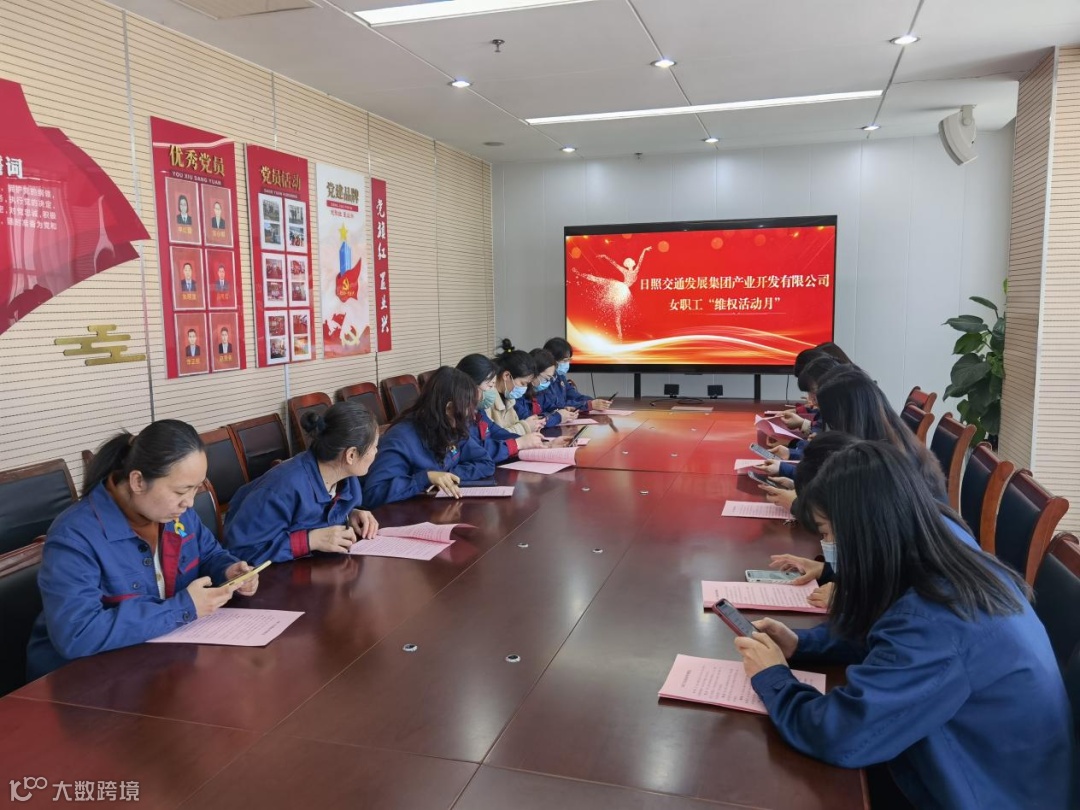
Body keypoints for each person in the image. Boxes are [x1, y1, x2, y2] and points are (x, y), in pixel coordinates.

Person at [734, 441, 1073, 809]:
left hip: (989, 794)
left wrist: (774, 678)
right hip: (987, 766)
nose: (827, 545)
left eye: (828, 533)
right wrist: (804, 644)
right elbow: (889, 632)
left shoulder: (939, 619)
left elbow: (841, 736)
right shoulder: (939, 538)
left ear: (865, 530)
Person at [26, 421, 259, 680]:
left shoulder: (178, 515)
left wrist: (228, 570)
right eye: (181, 490)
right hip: (83, 680)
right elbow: (77, 633)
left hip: (154, 662)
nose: (190, 502)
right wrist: (183, 607)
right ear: (137, 481)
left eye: (196, 488)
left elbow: (209, 555)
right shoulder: (74, 536)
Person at [224, 401, 379, 565]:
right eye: (374, 446)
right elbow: (239, 551)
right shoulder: (283, 487)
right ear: (351, 455)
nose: (377, 451)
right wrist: (309, 540)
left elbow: (322, 514)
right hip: (274, 578)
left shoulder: (346, 478)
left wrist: (349, 514)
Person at [362, 367, 496, 507]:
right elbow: (373, 494)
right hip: (406, 515)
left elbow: (485, 463)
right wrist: (426, 478)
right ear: (449, 408)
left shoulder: (453, 428)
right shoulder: (401, 438)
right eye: (468, 407)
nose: (472, 415)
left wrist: (445, 476)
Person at [456, 354, 546, 463]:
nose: (493, 390)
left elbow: (497, 432)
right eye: (490, 386)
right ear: (471, 385)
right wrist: (518, 444)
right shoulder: (457, 416)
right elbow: (477, 450)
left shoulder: (478, 411)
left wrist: (538, 443)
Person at [540, 337, 611, 412]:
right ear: (552, 360)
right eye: (565, 360)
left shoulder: (560, 377)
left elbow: (576, 397)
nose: (567, 364)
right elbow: (557, 405)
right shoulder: (543, 382)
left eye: (569, 360)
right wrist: (588, 405)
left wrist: (595, 402)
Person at [515, 348, 577, 428]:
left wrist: (562, 410)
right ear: (534, 373)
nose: (548, 382)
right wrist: (558, 417)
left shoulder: (538, 391)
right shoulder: (517, 393)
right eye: (546, 378)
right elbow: (532, 421)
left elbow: (548, 406)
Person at [488, 350, 543, 436]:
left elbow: (513, 426)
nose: (525, 388)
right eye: (522, 383)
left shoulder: (509, 399)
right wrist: (526, 427)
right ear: (506, 376)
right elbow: (494, 437)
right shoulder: (487, 400)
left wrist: (532, 426)